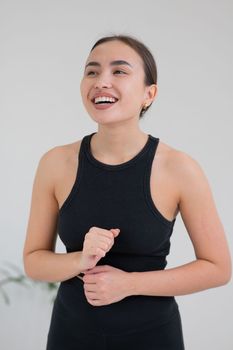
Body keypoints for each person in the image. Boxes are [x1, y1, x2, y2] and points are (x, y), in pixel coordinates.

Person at [23, 34, 232, 350]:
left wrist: (129, 284)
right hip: (71, 335)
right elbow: (34, 261)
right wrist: (82, 259)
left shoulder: (179, 168)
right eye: (92, 71)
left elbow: (218, 268)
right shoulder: (55, 163)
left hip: (152, 337)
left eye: (119, 71)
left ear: (150, 94)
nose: (101, 81)